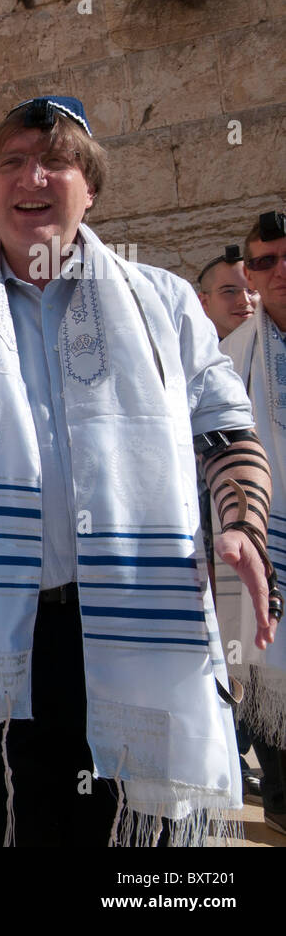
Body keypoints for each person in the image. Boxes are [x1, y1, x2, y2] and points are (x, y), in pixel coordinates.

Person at [0, 96, 277, 846]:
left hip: (133, 618)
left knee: (138, 836)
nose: (33, 176)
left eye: (56, 160)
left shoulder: (164, 306)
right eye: (11, 162)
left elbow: (226, 434)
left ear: (90, 186)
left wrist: (242, 524)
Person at [217, 209, 286, 836]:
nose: (278, 270)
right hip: (267, 543)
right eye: (264, 261)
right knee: (270, 681)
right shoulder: (230, 357)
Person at [197, 245, 257, 340]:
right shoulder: (194, 353)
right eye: (229, 291)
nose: (245, 301)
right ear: (204, 302)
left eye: (252, 290)